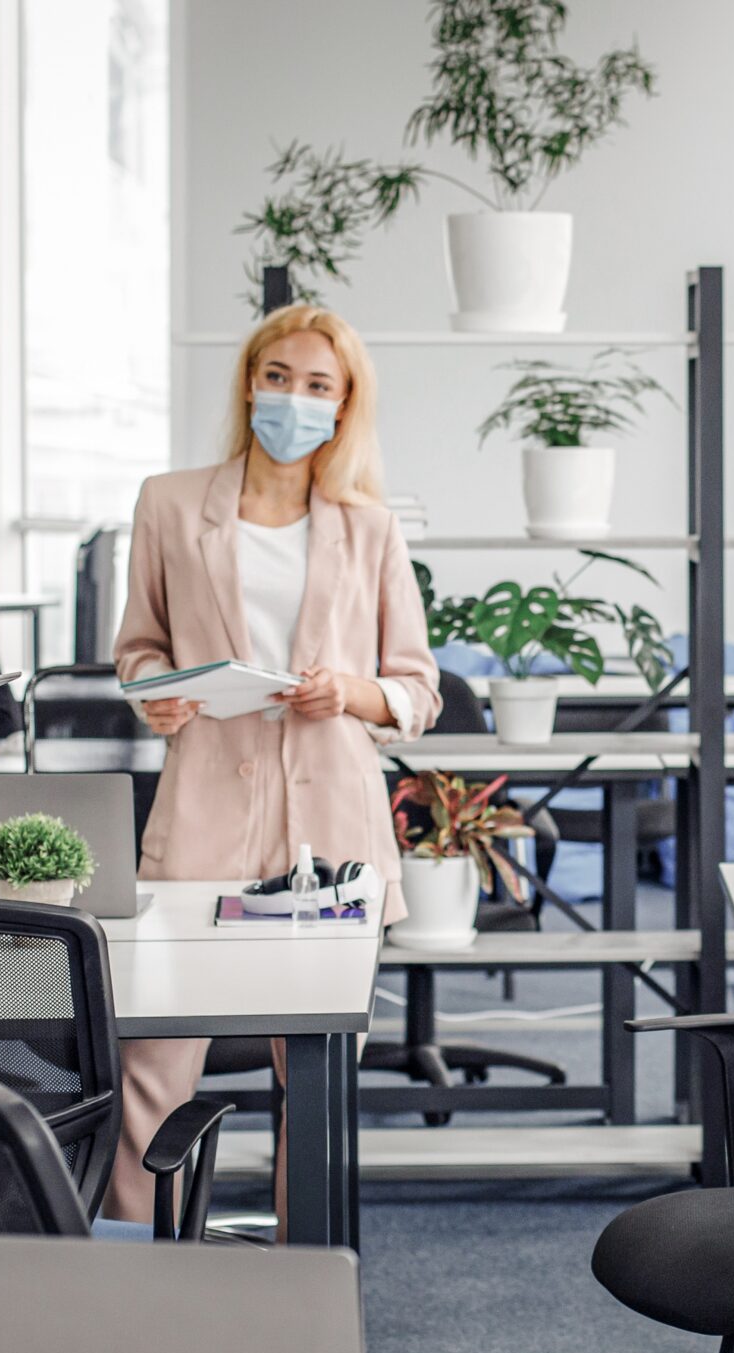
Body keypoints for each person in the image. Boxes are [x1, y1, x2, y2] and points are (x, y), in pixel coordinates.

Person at [110, 304, 440, 1227]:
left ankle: (306, 1275)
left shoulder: (367, 526)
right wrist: (155, 694)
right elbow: (137, 649)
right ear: (250, 383)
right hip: (206, 807)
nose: (295, 398)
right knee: (156, 1056)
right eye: (279, 377)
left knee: (318, 1070)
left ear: (345, 407)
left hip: (329, 820)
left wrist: (351, 691)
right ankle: (135, 1256)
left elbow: (417, 687)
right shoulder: (170, 503)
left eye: (319, 386)